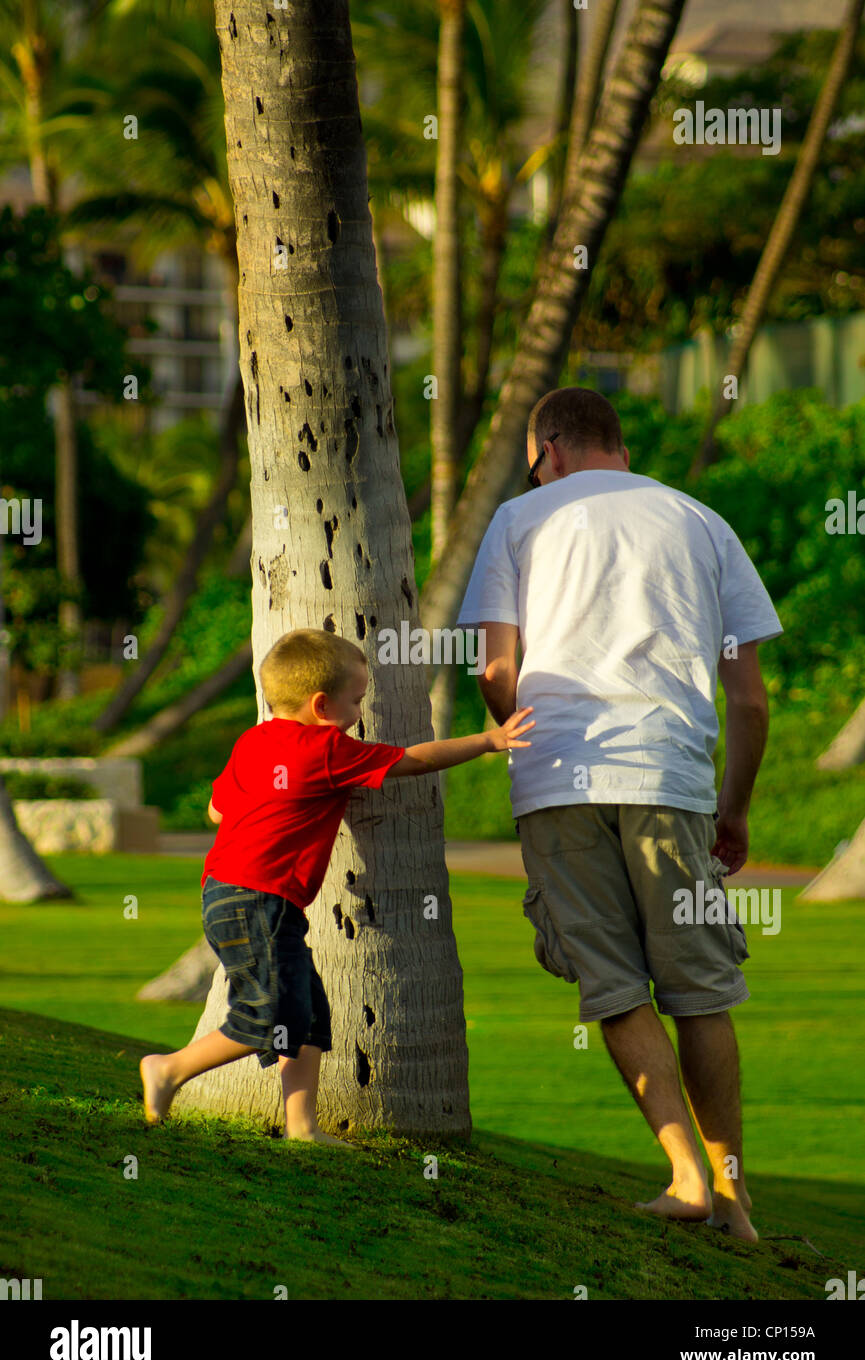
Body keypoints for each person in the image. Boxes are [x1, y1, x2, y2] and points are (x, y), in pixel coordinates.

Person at [456, 386, 782, 1242]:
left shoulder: (520, 522)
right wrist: (734, 808)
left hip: (558, 779)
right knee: (702, 993)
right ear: (620, 446)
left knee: (612, 985)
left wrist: (513, 740)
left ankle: (681, 1176)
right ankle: (734, 1197)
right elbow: (747, 699)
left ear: (549, 448)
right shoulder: (702, 523)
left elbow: (495, 671)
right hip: (672, 777)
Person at [139, 628, 533, 1143]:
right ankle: (168, 1069)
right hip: (260, 899)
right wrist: (489, 741)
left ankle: (303, 1127)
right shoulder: (327, 749)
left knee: (306, 1017)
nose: (359, 712)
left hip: (228, 892)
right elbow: (414, 760)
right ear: (322, 706)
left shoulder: (252, 742)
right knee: (268, 1015)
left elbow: (217, 809)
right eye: (356, 700)